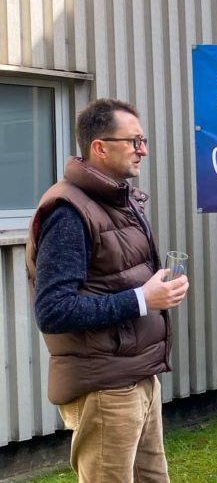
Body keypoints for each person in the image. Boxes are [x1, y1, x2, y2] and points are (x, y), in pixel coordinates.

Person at [25, 98, 189, 482]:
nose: (143, 150)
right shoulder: (68, 211)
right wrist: (142, 299)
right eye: (134, 141)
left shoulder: (119, 200)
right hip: (105, 389)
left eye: (143, 141)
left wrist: (154, 291)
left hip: (138, 376)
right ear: (99, 147)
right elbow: (53, 311)